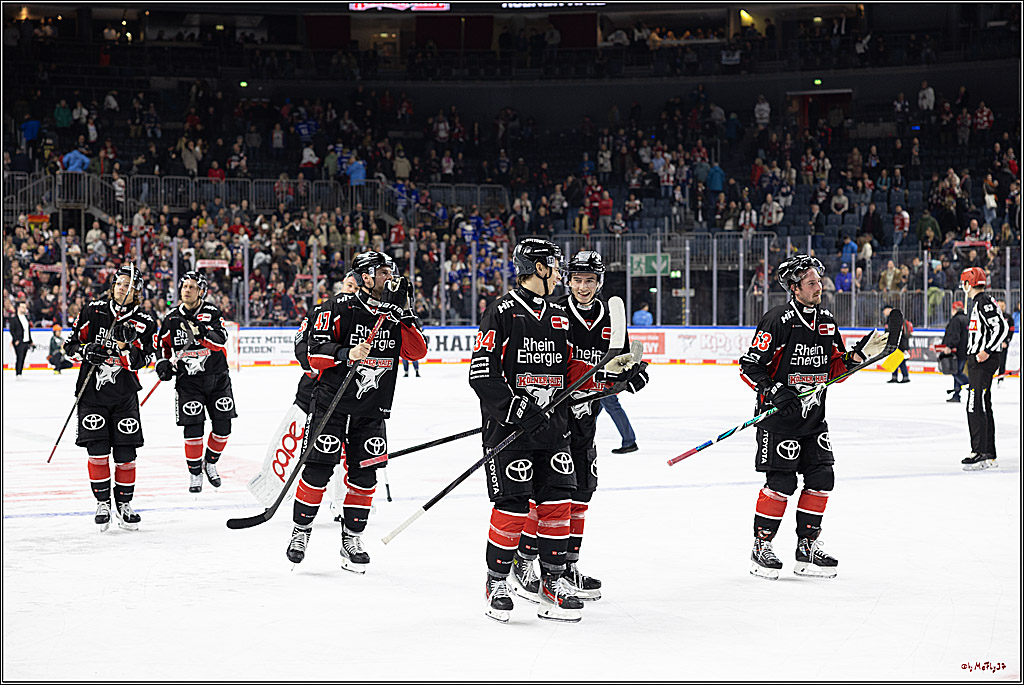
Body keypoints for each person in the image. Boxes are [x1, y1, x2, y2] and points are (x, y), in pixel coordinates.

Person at [471, 238, 603, 624]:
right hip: (509, 431)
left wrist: (611, 376)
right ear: (539, 268)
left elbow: (572, 370)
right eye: (555, 266)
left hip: (553, 427)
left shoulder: (559, 315)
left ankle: (553, 581)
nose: (561, 273)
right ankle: (496, 580)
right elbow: (482, 371)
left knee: (558, 502)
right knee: (512, 504)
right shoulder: (503, 311)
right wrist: (514, 405)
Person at [509, 250, 648, 605]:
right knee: (550, 492)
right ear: (567, 280)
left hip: (588, 417)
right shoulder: (555, 314)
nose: (583, 286)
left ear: (599, 282)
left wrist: (631, 377)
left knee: (582, 492)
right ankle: (524, 560)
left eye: (590, 280)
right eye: (576, 279)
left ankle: (566, 566)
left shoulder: (610, 318)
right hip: (555, 418)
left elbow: (620, 363)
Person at [739, 254, 888, 580]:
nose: (819, 286)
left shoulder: (826, 321)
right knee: (781, 483)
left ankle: (807, 546)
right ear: (794, 288)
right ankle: (760, 547)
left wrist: (858, 356)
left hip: (814, 420)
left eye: (819, 281)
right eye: (811, 283)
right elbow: (749, 367)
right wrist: (775, 391)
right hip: (777, 419)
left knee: (822, 479)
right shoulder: (777, 320)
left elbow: (834, 369)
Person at [286, 252, 426, 571]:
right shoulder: (334, 308)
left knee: (364, 475)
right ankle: (301, 531)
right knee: (318, 469)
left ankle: (352, 538)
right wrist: (347, 352)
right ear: (365, 277)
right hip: (332, 403)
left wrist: (405, 314)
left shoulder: (392, 316)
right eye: (382, 272)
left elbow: (418, 351)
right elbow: (313, 355)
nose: (389, 277)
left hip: (371, 408)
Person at [62, 265, 158, 530]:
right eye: (119, 283)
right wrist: (85, 351)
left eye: (129, 285)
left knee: (126, 454)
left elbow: (144, 360)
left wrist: (127, 348)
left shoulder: (146, 322)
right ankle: (102, 502)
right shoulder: (92, 311)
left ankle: (124, 505)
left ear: (137, 291)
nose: (122, 288)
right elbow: (68, 346)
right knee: (98, 450)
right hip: (91, 394)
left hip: (124, 396)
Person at [155, 271, 237, 493]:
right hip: (188, 383)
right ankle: (194, 473)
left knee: (223, 428)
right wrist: (162, 364)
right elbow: (161, 346)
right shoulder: (171, 318)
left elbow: (221, 341)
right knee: (193, 429)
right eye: (184, 286)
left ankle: (210, 462)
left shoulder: (211, 313)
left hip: (218, 378)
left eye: (192, 287)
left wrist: (202, 334)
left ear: (201, 291)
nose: (187, 290)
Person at [959, 268, 1010, 470]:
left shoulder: (983, 302)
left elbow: (1001, 328)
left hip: (982, 361)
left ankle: (979, 453)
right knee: (982, 403)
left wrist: (987, 350)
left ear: (968, 284)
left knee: (974, 404)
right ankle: (988, 452)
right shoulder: (980, 303)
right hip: (979, 360)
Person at [935, 301, 969, 402]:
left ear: (953, 309)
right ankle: (956, 394)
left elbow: (954, 336)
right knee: (957, 371)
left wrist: (949, 346)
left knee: (956, 371)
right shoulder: (967, 319)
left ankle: (971, 386)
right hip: (965, 350)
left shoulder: (956, 320)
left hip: (957, 351)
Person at [884, 306, 911, 383]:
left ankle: (905, 376)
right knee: (894, 360)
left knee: (900, 361)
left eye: (885, 310)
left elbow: (899, 333)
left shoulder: (895, 319)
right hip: (895, 343)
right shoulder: (891, 319)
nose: (884, 312)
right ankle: (895, 376)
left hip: (899, 344)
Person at [8, 301, 34, 377]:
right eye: (23, 307)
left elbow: (27, 330)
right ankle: (18, 373)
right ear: (18, 308)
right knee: (19, 356)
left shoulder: (26, 318)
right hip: (19, 341)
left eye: (25, 307)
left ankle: (20, 372)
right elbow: (12, 330)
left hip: (26, 340)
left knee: (23, 357)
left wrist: (31, 341)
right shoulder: (14, 319)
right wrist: (16, 339)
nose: (24, 309)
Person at [994, 300, 1014, 385]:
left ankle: (1001, 379)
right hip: (994, 343)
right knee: (993, 361)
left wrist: (1006, 341)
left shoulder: (1008, 317)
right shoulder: (993, 316)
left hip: (1003, 344)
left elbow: (1011, 331)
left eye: (1002, 305)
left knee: (1002, 361)